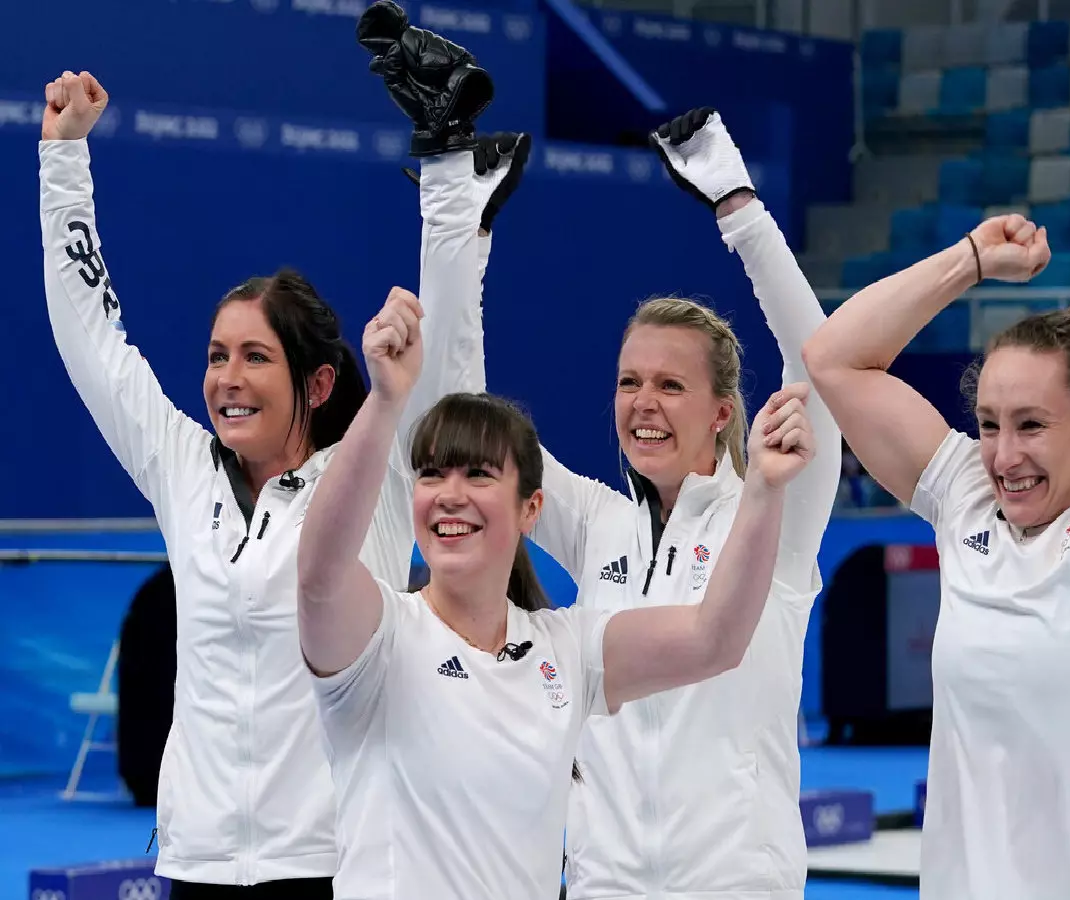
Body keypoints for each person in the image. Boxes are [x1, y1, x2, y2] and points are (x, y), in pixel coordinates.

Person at [367, 45, 843, 892]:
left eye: (669, 385)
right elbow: (460, 416)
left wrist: (739, 208)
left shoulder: (772, 511)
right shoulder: (594, 521)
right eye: (629, 382)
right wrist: (455, 231)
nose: (642, 403)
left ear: (723, 412)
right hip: (602, 884)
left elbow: (826, 373)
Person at [39, 65, 521, 898]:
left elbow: (448, 386)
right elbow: (93, 343)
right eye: (218, 355)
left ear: (319, 384)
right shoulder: (182, 469)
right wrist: (63, 161)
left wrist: (445, 178)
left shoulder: (364, 481)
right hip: (193, 863)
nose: (227, 376)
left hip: (333, 867)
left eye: (256, 357)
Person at [294, 286, 817, 900]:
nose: (451, 494)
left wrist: (761, 492)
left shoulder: (566, 651)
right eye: (431, 474)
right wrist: (385, 403)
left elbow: (715, 638)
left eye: (479, 476)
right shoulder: (380, 639)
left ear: (531, 509)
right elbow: (319, 576)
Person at [801, 184, 1070, 899]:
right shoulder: (965, 499)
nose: (1004, 455)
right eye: (989, 423)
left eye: (1032, 425)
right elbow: (834, 358)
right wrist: (971, 260)